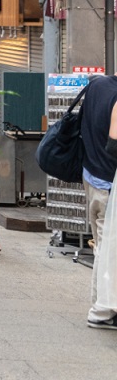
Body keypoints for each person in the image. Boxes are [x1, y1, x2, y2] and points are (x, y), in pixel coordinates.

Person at [79, 73, 117, 329]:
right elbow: (114, 143)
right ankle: (101, 310)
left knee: (103, 246)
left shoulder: (96, 86)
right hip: (108, 183)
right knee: (108, 249)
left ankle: (102, 305)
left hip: (91, 175)